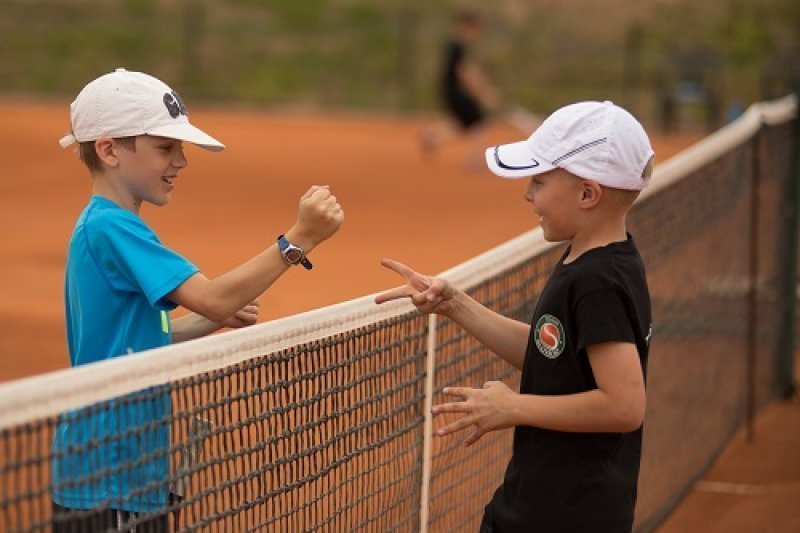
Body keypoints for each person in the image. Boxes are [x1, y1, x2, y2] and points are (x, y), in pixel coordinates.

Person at [51, 68, 344, 532]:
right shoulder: (113, 227)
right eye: (165, 148)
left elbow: (140, 341)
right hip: (111, 475)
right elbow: (210, 297)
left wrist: (210, 322)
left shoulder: (105, 224)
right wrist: (299, 239)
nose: (180, 161)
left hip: (123, 470)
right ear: (108, 150)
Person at [377, 100, 654, 532]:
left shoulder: (598, 281)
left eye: (539, 181)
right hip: (539, 502)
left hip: (569, 515)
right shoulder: (594, 261)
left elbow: (624, 405)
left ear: (587, 194)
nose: (527, 193)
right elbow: (557, 359)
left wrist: (514, 407)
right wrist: (455, 304)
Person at [420, 10, 502, 168]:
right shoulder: (456, 46)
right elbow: (465, 72)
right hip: (453, 91)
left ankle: (432, 137)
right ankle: (473, 161)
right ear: (466, 27)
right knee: (478, 122)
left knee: (463, 124)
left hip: (450, 90)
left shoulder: (455, 46)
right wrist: (484, 93)